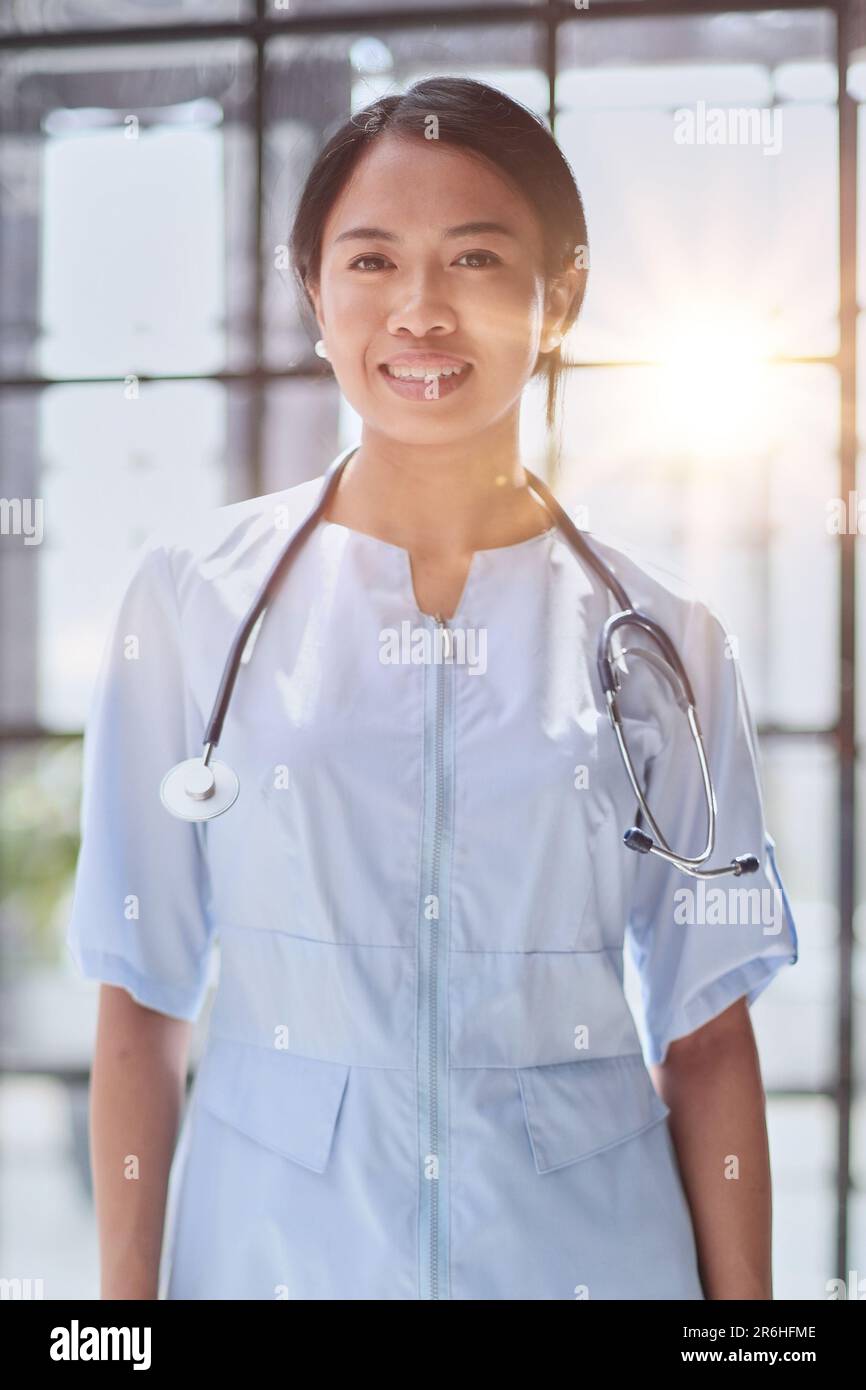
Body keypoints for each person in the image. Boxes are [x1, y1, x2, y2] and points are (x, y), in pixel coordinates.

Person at [66, 76, 798, 1301]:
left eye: (472, 257)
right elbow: (140, 1004)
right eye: (368, 262)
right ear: (312, 292)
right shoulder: (189, 600)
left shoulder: (667, 637)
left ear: (556, 296)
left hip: (588, 1258)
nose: (418, 311)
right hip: (273, 1259)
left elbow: (708, 1033)